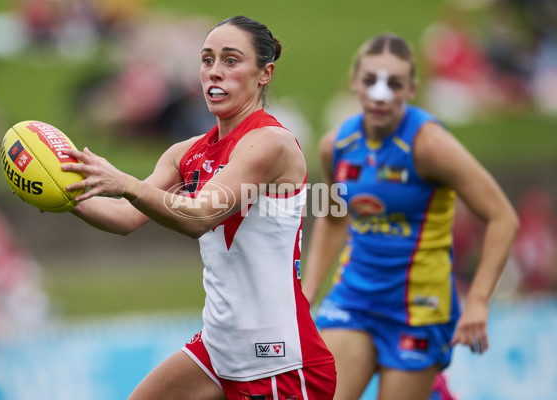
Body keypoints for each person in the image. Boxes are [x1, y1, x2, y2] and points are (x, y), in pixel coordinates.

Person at [59, 15, 336, 400]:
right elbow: (125, 218)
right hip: (218, 350)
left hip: (277, 362)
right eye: (207, 60)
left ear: (264, 73)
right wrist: (59, 192)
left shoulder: (269, 142)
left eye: (231, 60)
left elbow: (200, 215)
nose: (214, 72)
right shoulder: (184, 153)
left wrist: (125, 183)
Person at [302, 33, 519, 400]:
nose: (380, 93)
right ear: (354, 83)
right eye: (370, 80)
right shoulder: (334, 146)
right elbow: (331, 217)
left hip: (418, 311)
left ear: (412, 89)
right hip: (353, 298)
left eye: (394, 83)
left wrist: (479, 300)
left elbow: (503, 217)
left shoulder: (430, 145)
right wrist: (307, 292)